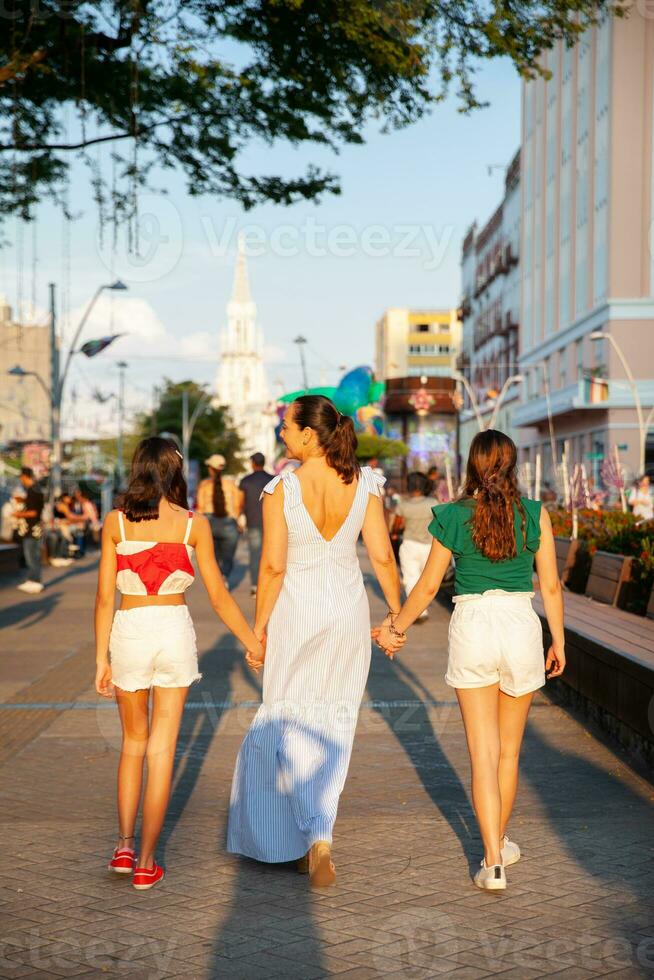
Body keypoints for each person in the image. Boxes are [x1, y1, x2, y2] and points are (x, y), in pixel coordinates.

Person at [373, 430, 566, 892]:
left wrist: (395, 628)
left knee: (481, 754)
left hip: (473, 625)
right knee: (508, 753)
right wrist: (558, 641)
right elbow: (552, 588)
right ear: (513, 463)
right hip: (520, 624)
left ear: (473, 467)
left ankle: (493, 861)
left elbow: (424, 587)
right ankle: (498, 838)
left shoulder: (454, 516)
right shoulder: (535, 514)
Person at [227, 395, 401, 887]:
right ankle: (318, 832)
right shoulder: (365, 484)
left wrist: (258, 629)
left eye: (286, 426)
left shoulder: (282, 488)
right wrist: (398, 616)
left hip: (296, 612)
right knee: (335, 722)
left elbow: (274, 566)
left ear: (309, 434)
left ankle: (312, 834)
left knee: (286, 714)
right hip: (346, 610)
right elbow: (383, 558)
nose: (281, 432)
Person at [94, 437, 263, 890]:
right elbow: (220, 595)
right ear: (176, 472)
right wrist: (253, 643)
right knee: (162, 750)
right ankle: (148, 862)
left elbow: (103, 597)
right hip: (172, 629)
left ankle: (124, 846)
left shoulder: (116, 523)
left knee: (133, 743)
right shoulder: (194, 525)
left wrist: (99, 659)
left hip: (128, 628)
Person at [392, 471, 436, 621]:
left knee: (411, 577)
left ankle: (418, 612)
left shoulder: (403, 505)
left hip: (410, 544)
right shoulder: (432, 503)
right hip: (429, 546)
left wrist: (394, 533)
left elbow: (397, 525)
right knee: (425, 578)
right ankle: (422, 607)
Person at [196, 453, 240, 585]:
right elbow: (237, 505)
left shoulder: (203, 485)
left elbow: (200, 508)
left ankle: (217, 579)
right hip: (229, 524)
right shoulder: (231, 484)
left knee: (212, 557)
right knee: (228, 558)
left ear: (210, 468)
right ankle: (224, 576)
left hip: (209, 524)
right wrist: (235, 520)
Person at [237, 452, 274, 596]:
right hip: (271, 522)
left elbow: (240, 503)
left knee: (255, 554)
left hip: (252, 522)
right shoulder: (273, 479)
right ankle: (269, 586)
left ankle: (255, 586)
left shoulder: (245, 481)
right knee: (270, 554)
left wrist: (239, 518)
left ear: (253, 463)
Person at [14, 467, 45, 594]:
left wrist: (18, 514)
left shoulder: (32, 491)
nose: (21, 480)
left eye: (22, 478)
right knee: (34, 555)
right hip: (36, 528)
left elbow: (33, 512)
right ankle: (34, 580)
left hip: (31, 529)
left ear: (25, 477)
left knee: (31, 556)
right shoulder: (37, 489)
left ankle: (34, 581)